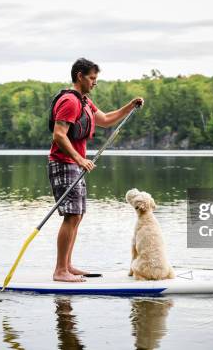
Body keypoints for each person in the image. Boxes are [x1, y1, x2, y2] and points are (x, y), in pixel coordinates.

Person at [49, 58, 143, 282]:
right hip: (64, 163)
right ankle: (60, 270)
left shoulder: (85, 103)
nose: (94, 83)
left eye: (96, 79)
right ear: (79, 76)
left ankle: (67, 265)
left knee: (77, 216)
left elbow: (107, 119)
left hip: (75, 164)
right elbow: (58, 135)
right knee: (71, 216)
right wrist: (79, 159)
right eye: (92, 78)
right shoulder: (70, 101)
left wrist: (130, 106)